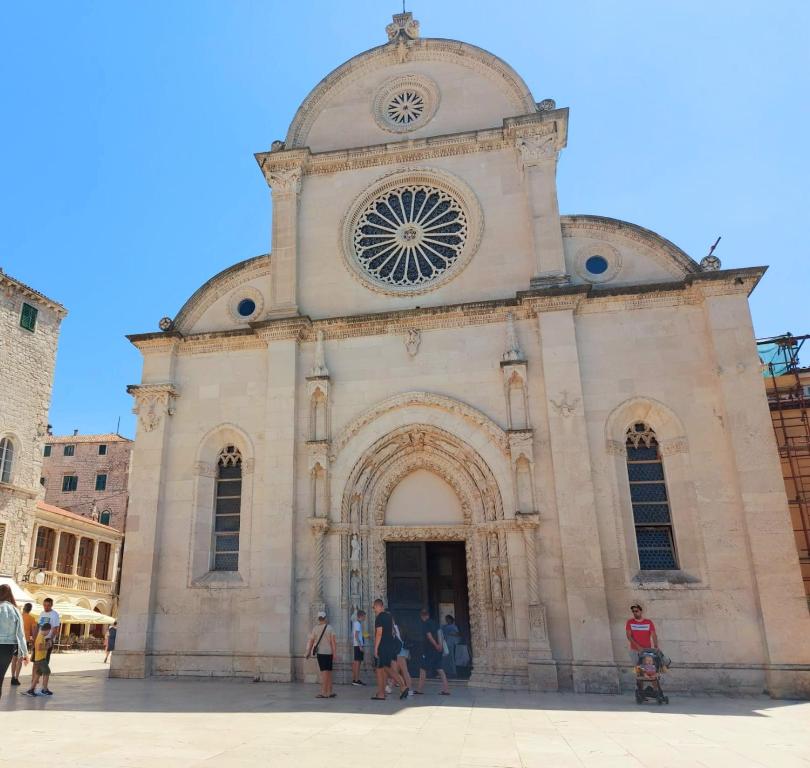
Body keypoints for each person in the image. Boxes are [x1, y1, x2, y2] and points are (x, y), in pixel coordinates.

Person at [371, 598, 408, 701]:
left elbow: (379, 633)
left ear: (378, 606)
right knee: (384, 669)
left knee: (383, 669)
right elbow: (392, 632)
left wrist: (376, 648)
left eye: (374, 607)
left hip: (383, 646)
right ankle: (385, 692)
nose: (374, 609)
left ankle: (395, 688)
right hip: (390, 646)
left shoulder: (379, 618)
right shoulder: (389, 616)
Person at [0, 584, 28, 698]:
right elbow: (20, 634)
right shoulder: (15, 610)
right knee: (0, 677)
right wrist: (25, 653)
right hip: (8, 648)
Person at [414, 608, 450, 695]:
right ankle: (446, 690)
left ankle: (419, 690)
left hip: (429, 650)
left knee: (423, 669)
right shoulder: (435, 623)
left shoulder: (425, 624)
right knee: (440, 669)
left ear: (422, 616)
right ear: (428, 615)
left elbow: (429, 636)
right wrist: (440, 645)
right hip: (438, 650)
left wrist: (436, 645)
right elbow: (440, 633)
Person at [305, 610, 337, 699]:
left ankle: (324, 692)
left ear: (318, 618)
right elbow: (333, 642)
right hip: (329, 652)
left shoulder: (315, 628)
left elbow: (311, 641)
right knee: (329, 672)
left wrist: (308, 652)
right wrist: (334, 653)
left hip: (321, 653)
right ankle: (329, 691)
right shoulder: (330, 628)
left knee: (324, 673)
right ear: (325, 618)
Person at [10, 602, 35, 686]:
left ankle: (12, 677)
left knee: (14, 659)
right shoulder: (32, 619)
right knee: (20, 660)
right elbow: (33, 632)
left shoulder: (18, 616)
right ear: (30, 609)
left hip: (15, 640)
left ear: (24, 608)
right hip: (24, 641)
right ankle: (16, 678)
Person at [25, 622, 52, 697]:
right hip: (41, 659)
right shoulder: (41, 636)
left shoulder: (41, 636)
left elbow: (39, 647)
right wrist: (47, 647)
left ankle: (31, 690)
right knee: (47, 672)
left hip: (39, 659)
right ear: (47, 630)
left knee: (38, 674)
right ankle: (44, 689)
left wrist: (46, 644)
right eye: (49, 631)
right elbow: (39, 648)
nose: (49, 633)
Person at [391, 617, 413, 695]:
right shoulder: (399, 627)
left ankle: (410, 690)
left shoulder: (392, 628)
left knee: (404, 671)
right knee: (395, 670)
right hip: (404, 649)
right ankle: (389, 687)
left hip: (399, 650)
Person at [37, 597, 61, 664]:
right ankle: (38, 673)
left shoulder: (54, 614)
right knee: (38, 659)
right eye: (44, 605)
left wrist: (51, 639)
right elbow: (38, 626)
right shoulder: (42, 613)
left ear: (51, 605)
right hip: (40, 638)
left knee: (45, 659)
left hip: (48, 639)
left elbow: (56, 628)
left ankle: (44, 673)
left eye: (48, 605)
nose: (46, 607)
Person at [350, 610, 366, 686]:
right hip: (357, 645)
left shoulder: (357, 623)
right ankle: (356, 680)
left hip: (357, 645)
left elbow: (358, 634)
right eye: (364, 616)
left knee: (358, 662)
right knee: (357, 662)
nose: (365, 618)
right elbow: (356, 635)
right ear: (361, 616)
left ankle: (355, 679)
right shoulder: (357, 624)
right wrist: (360, 646)